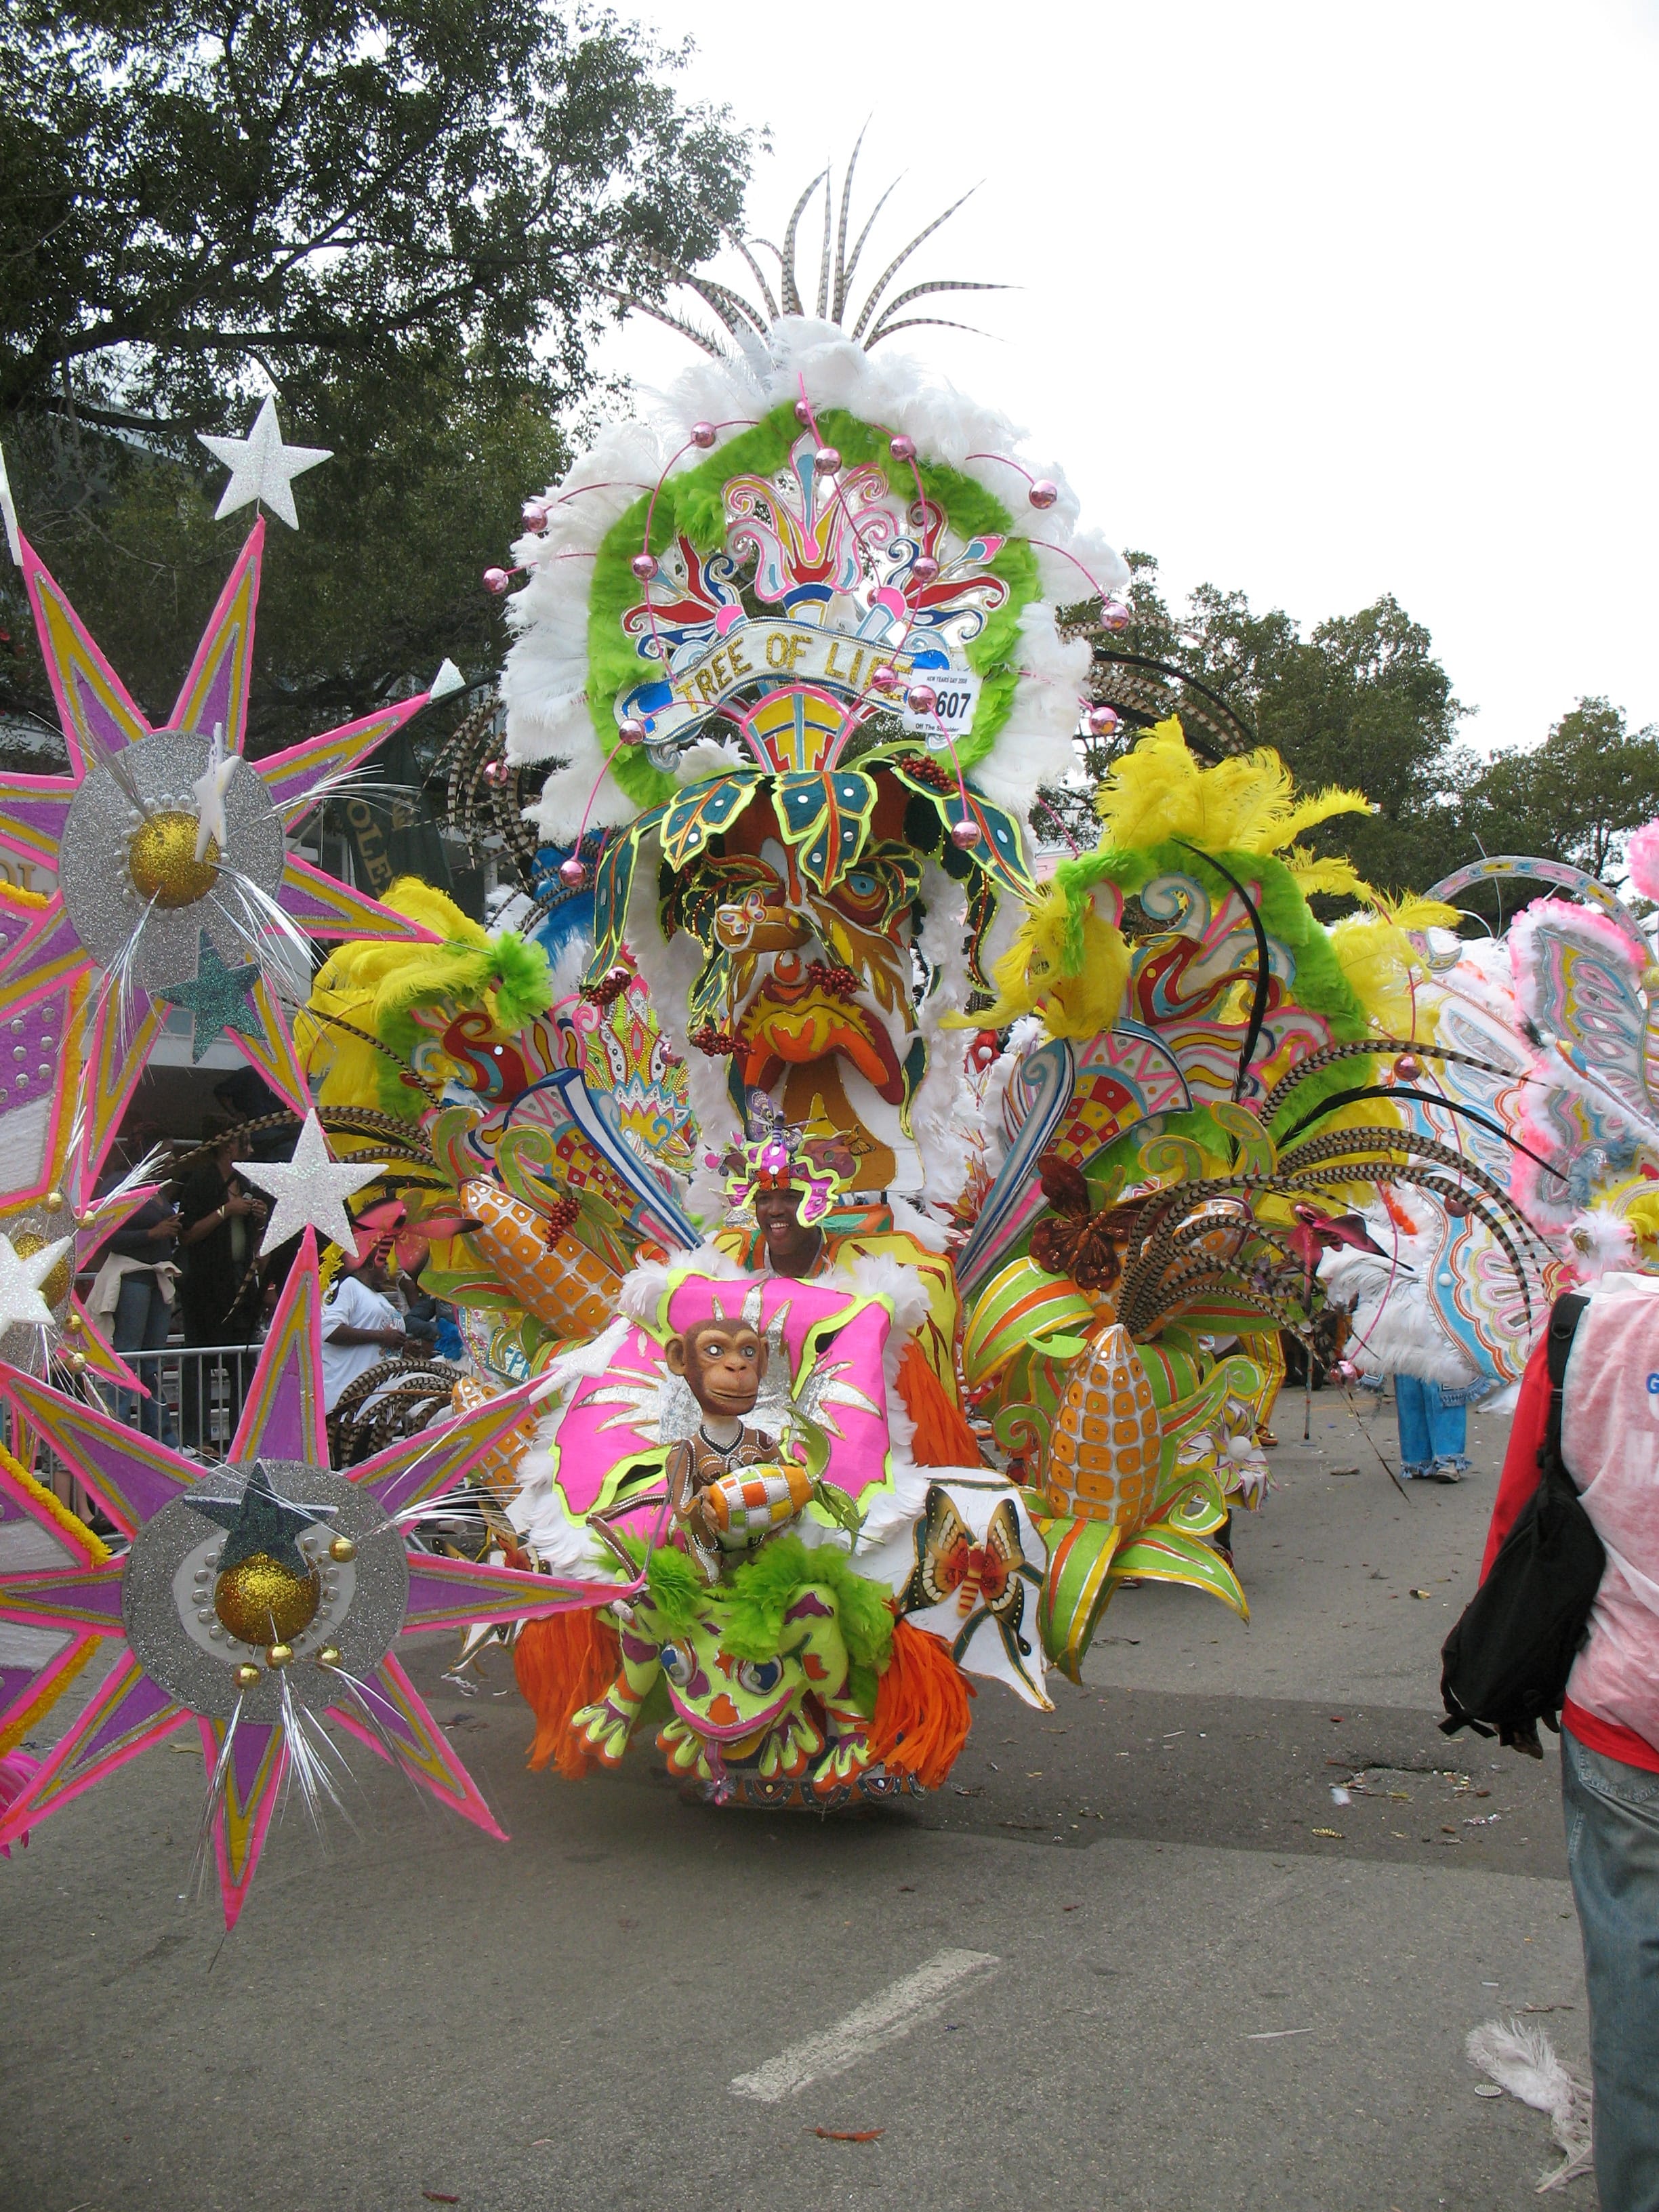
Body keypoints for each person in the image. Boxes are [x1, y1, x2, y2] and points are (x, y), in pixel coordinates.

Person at [1481, 1274, 1659, 2210]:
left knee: (1636, 1992)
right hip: (1626, 1724)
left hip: (1630, 1715)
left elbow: (1522, 1516)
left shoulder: (1592, 1326)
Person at [176, 1118, 268, 1452]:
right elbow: (186, 1234)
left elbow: (258, 1240)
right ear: (229, 1145)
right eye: (246, 1142)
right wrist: (226, 1211)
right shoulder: (201, 1180)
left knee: (241, 1367)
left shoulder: (245, 1181)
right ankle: (196, 1439)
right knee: (199, 1362)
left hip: (239, 1288)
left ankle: (241, 1438)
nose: (252, 1149)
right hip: (205, 1288)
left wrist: (256, 1216)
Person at [88, 1184, 180, 1442]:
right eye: (166, 1148)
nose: (171, 1158)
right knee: (128, 1357)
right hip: (132, 1277)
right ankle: (118, 1432)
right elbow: (106, 1234)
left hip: (158, 1274)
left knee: (151, 1362)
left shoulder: (161, 1189)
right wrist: (152, 1233)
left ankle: (160, 1436)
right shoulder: (122, 1183)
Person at [320, 1242, 409, 1416]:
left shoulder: (380, 1299)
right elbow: (328, 1330)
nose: (388, 1264)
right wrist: (382, 1337)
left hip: (378, 1406)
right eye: (383, 1259)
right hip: (348, 1404)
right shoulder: (347, 1286)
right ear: (369, 1264)